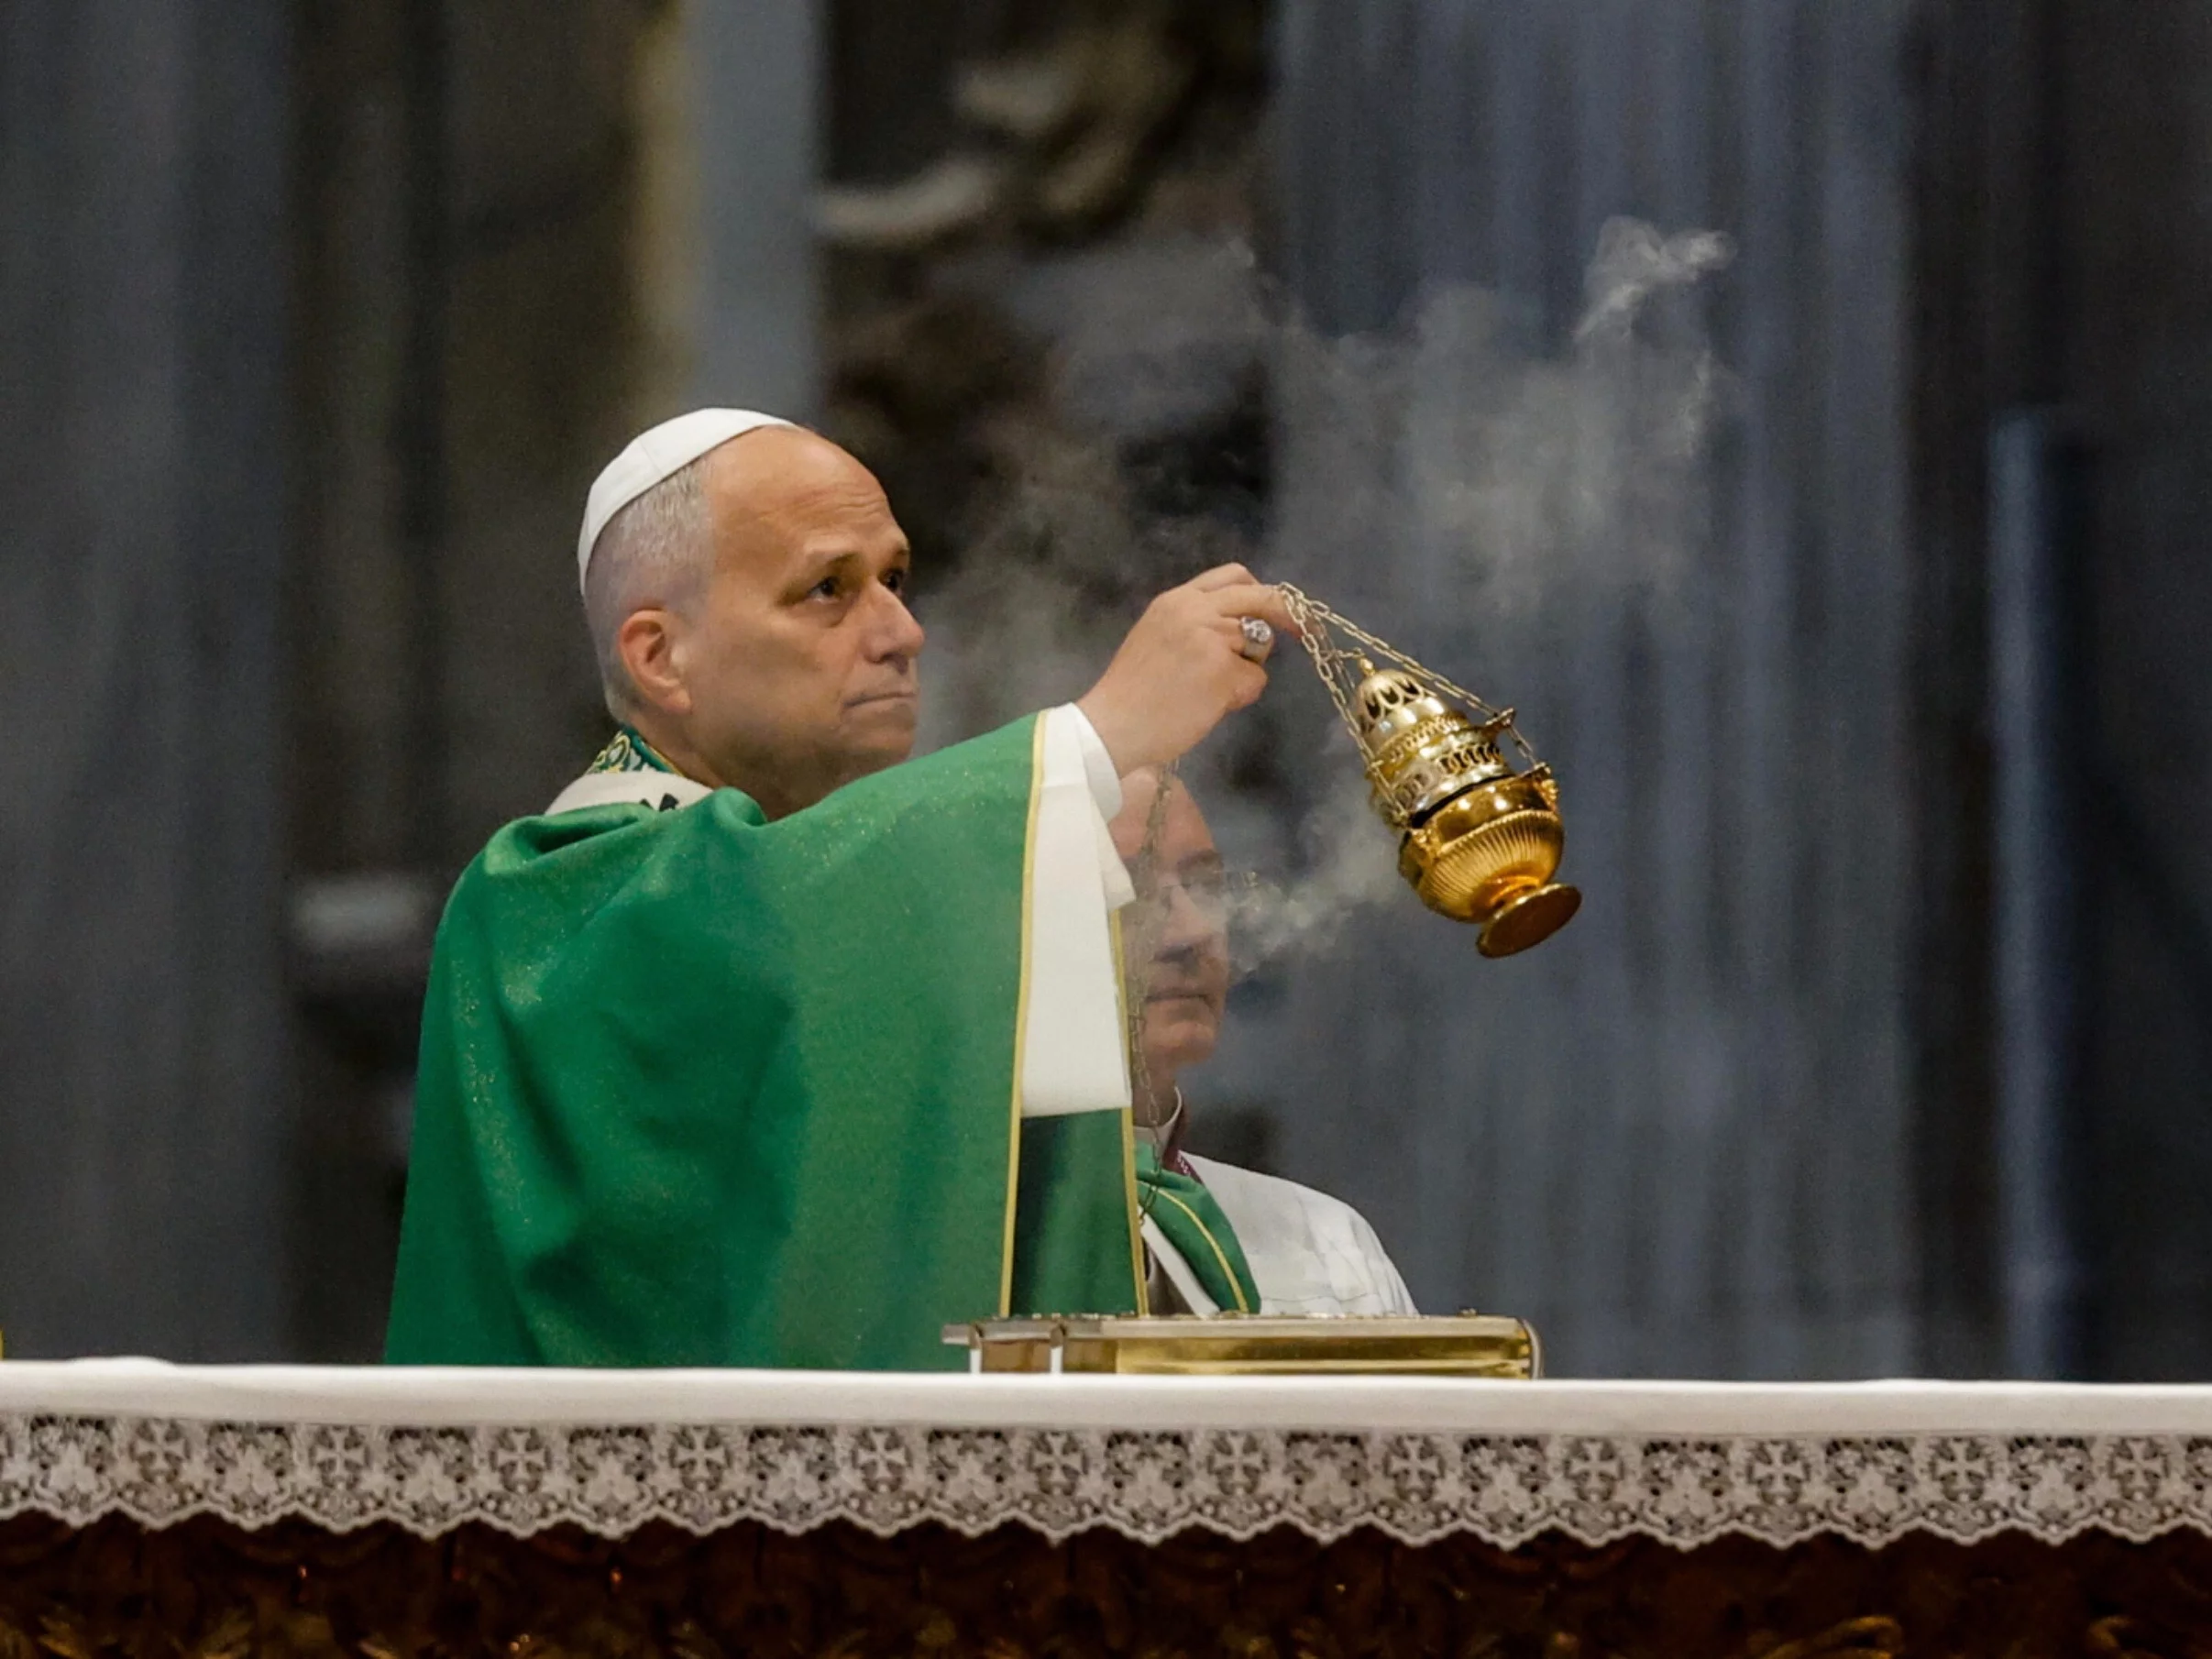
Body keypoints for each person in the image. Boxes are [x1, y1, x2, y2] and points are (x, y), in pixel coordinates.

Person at [384, 409, 1298, 1369]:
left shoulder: (829, 880)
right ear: (661, 656)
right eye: (828, 589)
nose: (903, 632)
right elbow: (756, 922)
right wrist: (1096, 738)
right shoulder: (547, 907)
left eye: (894, 581)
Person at [1112, 770, 1417, 1317]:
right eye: (1129, 891)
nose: (1194, 933)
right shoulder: (959, 1236)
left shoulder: (1332, 1253)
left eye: (1205, 887)